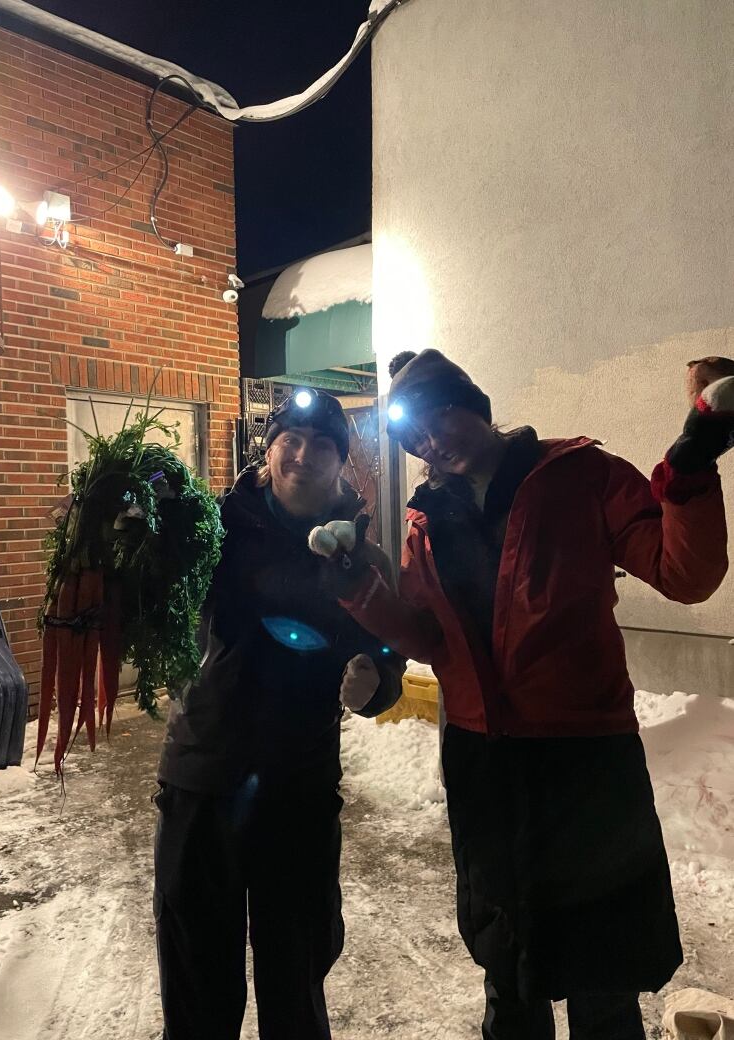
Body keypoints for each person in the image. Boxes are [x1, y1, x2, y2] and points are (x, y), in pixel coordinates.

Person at [313, 349, 732, 1040]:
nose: (428, 443)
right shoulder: (427, 522)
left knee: (603, 978)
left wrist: (691, 462)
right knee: (507, 972)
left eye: (433, 419)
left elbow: (685, 572)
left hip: (585, 765)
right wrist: (358, 581)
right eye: (412, 438)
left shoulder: (580, 476)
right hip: (485, 765)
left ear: (471, 404)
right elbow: (425, 638)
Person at [154, 388, 404, 1040]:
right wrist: (133, 522)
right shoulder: (212, 529)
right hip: (204, 779)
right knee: (197, 983)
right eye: (291, 437)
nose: (304, 454)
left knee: (295, 984)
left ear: (341, 462)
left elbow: (390, 661)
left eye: (323, 444)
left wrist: (374, 684)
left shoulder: (361, 559)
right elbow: (148, 585)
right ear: (268, 447)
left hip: (299, 790)